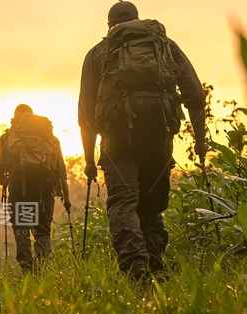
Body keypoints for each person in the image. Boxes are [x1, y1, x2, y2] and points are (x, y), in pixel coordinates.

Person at [78, 1, 207, 279]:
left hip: (116, 138)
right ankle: (156, 265)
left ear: (110, 26)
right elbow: (195, 95)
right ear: (138, 19)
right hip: (158, 135)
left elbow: (85, 114)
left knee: (123, 202)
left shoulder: (97, 53)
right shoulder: (165, 46)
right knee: (150, 205)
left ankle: (136, 267)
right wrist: (200, 141)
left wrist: (89, 159)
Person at [0, 104, 71, 272]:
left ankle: (27, 267)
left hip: (20, 190)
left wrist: (5, 180)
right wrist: (67, 197)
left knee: (21, 226)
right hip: (45, 191)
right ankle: (43, 267)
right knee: (42, 231)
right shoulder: (50, 138)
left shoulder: (7, 137)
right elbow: (60, 169)